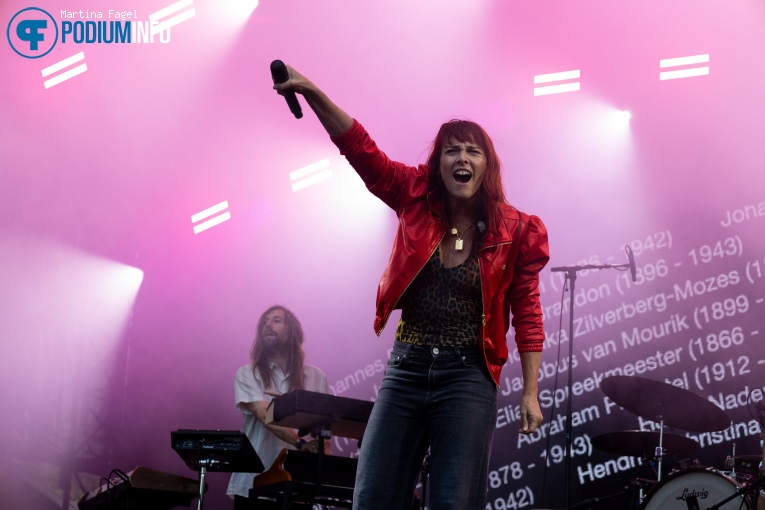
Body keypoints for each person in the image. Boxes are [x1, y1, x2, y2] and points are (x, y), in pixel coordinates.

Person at [273, 67, 550, 510]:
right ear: (438, 164)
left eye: (473, 151)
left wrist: (530, 392)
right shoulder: (412, 195)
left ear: (486, 165)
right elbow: (361, 150)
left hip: (468, 375)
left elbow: (528, 314)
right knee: (373, 496)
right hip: (407, 367)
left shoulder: (515, 229)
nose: (462, 158)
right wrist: (310, 91)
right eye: (452, 150)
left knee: (452, 501)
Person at [226, 305, 330, 507]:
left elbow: (325, 432)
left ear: (292, 331)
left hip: (299, 486)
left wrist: (322, 469)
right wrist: (300, 443)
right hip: (254, 483)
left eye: (276, 320)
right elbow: (265, 415)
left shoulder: (316, 377)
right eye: (265, 321)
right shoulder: (248, 373)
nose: (267, 325)